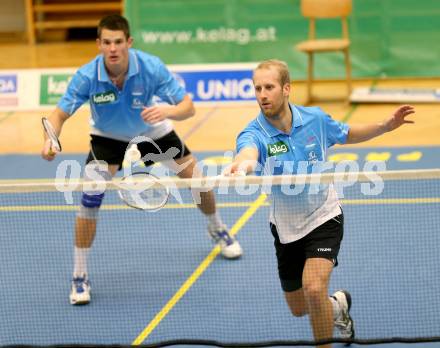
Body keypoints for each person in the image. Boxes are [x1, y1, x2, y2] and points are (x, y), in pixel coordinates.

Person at [41, 14, 243, 305]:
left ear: (129, 42)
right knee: (90, 200)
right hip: (107, 138)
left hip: (153, 130)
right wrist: (51, 138)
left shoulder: (150, 67)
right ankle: (79, 274)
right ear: (98, 44)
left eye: (118, 42)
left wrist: (167, 112)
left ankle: (217, 227)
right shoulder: (86, 76)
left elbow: (188, 107)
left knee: (198, 182)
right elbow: (59, 115)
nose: (113, 48)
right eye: (107, 42)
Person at [224, 59, 415, 346]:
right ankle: (337, 306)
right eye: (257, 88)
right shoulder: (254, 132)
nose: (262, 94)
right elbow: (247, 153)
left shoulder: (314, 119)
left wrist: (385, 126)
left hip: (323, 216)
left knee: (314, 290)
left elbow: (347, 133)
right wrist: (242, 166)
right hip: (286, 228)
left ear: (286, 88)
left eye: (269, 87)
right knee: (300, 308)